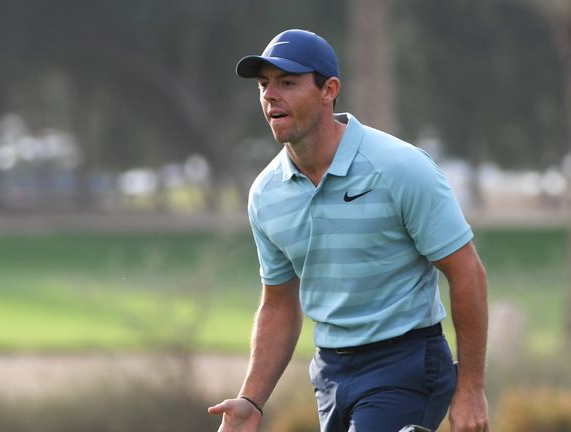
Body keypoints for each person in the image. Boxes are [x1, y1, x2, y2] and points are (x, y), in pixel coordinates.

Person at [207, 29, 489, 432]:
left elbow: (467, 272)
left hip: (407, 363)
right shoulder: (266, 195)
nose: (270, 95)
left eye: (287, 82)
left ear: (329, 90)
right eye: (264, 84)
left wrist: (471, 389)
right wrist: (252, 399)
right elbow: (280, 303)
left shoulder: (400, 168)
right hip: (331, 372)